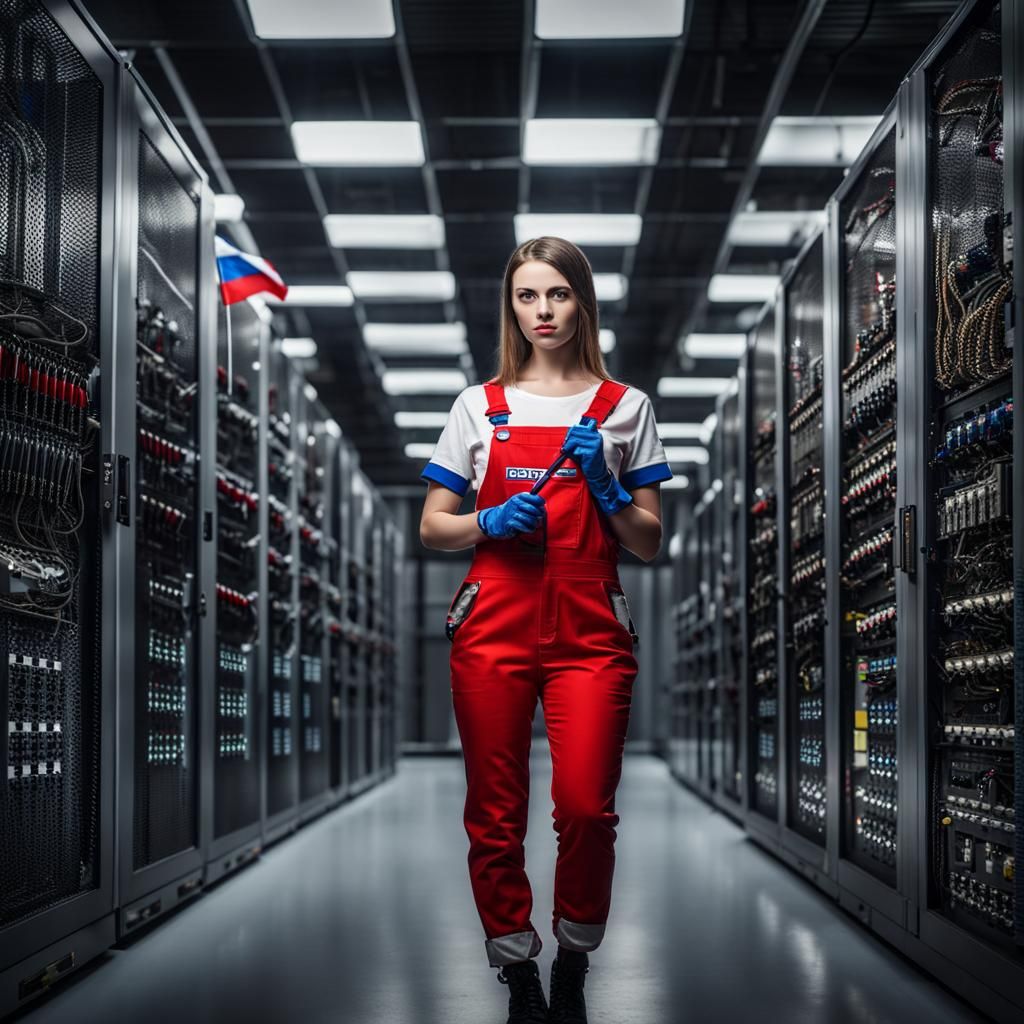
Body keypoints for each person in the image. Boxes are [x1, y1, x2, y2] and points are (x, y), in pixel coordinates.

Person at [418, 236, 672, 1024]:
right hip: (493, 617)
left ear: (582, 301)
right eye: (527, 297)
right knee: (494, 809)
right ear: (512, 307)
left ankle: (574, 955)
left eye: (557, 294)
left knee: (587, 805)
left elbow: (650, 540)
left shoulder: (626, 407)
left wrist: (604, 486)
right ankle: (515, 969)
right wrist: (486, 518)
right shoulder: (477, 405)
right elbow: (433, 526)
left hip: (590, 627)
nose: (542, 312)